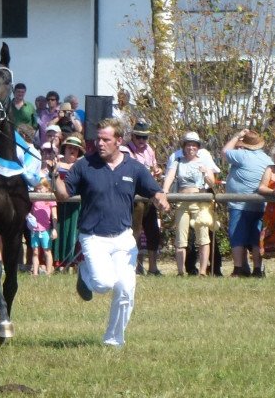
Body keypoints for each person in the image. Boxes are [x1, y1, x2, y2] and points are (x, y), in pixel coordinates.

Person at [53, 118, 170, 348]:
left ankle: (113, 340)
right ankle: (85, 272)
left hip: (124, 238)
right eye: (98, 139)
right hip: (93, 236)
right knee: (104, 284)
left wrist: (161, 200)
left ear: (118, 141)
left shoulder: (134, 167)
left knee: (126, 289)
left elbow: (154, 191)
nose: (100, 143)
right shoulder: (85, 165)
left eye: (105, 139)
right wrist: (55, 176)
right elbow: (63, 195)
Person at [162, 132, 216, 277]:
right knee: (181, 237)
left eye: (194, 145)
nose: (191, 147)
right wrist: (164, 193)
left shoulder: (204, 162)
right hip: (182, 201)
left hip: (200, 201)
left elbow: (212, 183)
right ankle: (181, 271)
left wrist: (206, 173)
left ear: (198, 147)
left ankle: (203, 271)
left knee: (203, 237)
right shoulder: (177, 161)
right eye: (188, 144)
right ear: (184, 146)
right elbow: (169, 178)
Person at [221, 129, 272, 277]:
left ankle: (238, 269)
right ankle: (257, 269)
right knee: (256, 239)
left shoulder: (242, 155)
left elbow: (224, 152)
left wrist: (236, 135)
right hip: (259, 205)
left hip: (239, 204)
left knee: (237, 237)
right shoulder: (267, 159)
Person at [123, 121, 164, 276]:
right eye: (139, 137)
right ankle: (136, 266)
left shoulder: (149, 150)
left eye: (145, 137)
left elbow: (153, 167)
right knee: (136, 232)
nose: (142, 141)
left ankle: (153, 267)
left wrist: (156, 170)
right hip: (134, 197)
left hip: (149, 195)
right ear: (132, 136)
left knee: (153, 230)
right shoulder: (125, 150)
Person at [52, 134, 84, 271]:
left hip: (76, 205)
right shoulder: (57, 165)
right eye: (69, 148)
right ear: (64, 149)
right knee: (59, 230)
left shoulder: (81, 166)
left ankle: (73, 262)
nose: (72, 151)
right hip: (58, 204)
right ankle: (57, 262)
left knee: (73, 232)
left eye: (75, 149)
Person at [27, 177, 57, 276]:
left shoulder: (51, 200)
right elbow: (31, 213)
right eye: (37, 189)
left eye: (40, 188)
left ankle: (48, 273)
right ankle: (35, 273)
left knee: (47, 251)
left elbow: (54, 216)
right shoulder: (34, 200)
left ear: (47, 188)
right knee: (35, 251)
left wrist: (54, 229)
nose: (38, 191)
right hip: (35, 230)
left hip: (45, 230)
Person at [258, 144, 275, 259]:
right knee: (269, 243)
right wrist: (273, 192)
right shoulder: (270, 169)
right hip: (272, 212)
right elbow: (261, 188)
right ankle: (259, 270)